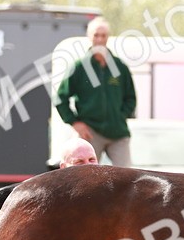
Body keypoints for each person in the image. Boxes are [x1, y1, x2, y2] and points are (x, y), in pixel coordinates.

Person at [54, 16, 136, 167]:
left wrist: (120, 115)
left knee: (128, 179)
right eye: (96, 35)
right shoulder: (79, 67)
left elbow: (131, 98)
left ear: (108, 38)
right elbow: (60, 98)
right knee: (84, 177)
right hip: (90, 132)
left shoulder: (120, 66)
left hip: (118, 132)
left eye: (103, 35)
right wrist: (75, 122)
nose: (99, 39)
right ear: (89, 37)